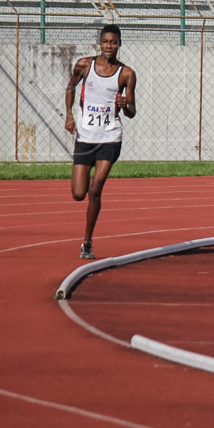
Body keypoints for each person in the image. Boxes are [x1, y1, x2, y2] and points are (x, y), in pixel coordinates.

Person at [64, 24, 137, 260]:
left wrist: (125, 104)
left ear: (119, 44)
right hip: (86, 136)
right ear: (100, 43)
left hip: (109, 137)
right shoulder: (84, 65)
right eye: (106, 42)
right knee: (78, 193)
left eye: (113, 42)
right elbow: (70, 86)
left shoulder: (126, 74)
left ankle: (87, 242)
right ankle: (87, 237)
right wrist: (69, 115)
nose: (109, 46)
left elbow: (132, 112)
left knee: (95, 190)